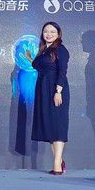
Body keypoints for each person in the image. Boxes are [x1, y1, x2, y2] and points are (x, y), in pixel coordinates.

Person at [28, 22, 69, 175]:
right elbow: (38, 65)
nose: (49, 34)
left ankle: (57, 165)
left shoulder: (61, 49)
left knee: (57, 125)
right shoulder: (43, 50)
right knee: (50, 126)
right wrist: (31, 59)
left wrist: (58, 91)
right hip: (43, 89)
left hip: (56, 89)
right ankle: (60, 160)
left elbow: (62, 71)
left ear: (58, 34)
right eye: (46, 31)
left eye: (52, 31)